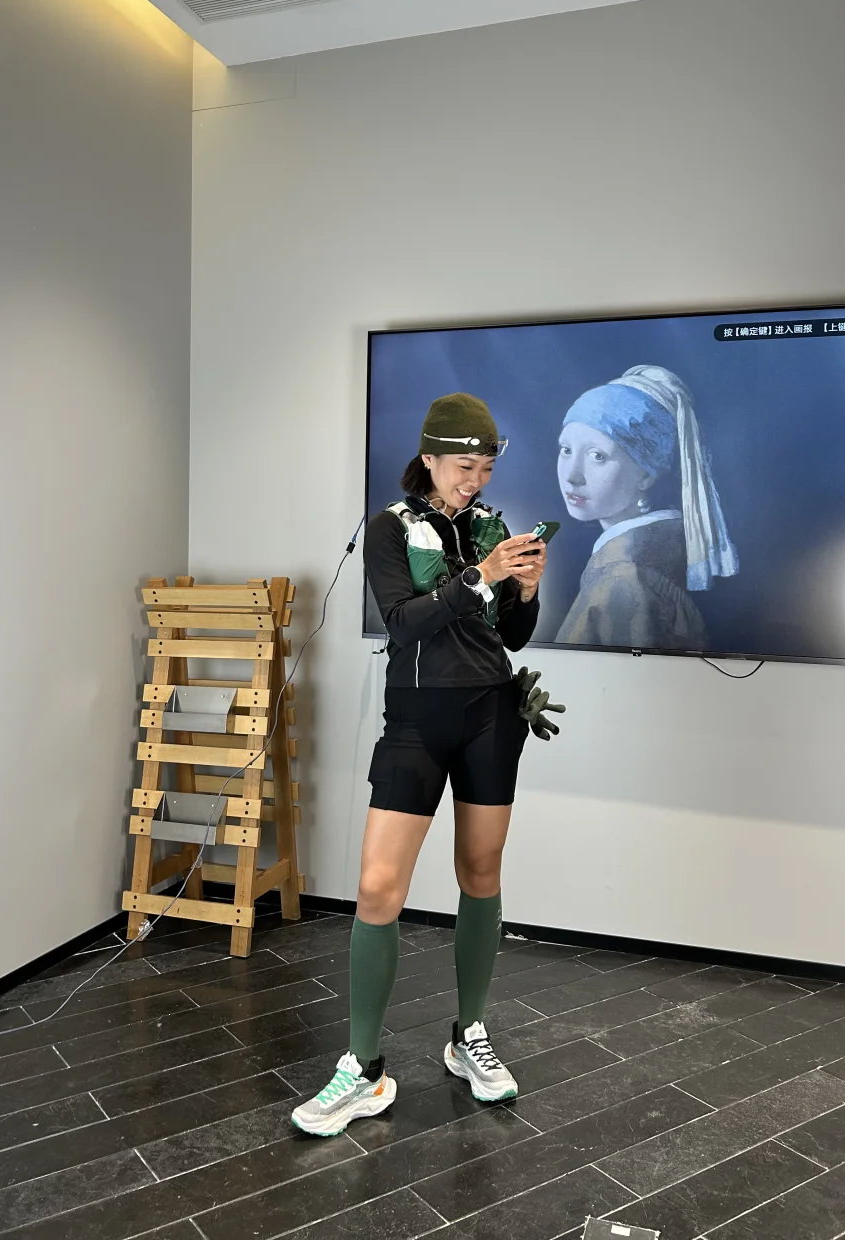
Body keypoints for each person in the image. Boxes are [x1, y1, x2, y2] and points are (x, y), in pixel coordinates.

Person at [291, 393, 554, 1136]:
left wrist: (526, 589)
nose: (475, 481)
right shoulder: (389, 527)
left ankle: (469, 1035)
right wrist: (481, 576)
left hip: (490, 716)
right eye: (464, 467)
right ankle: (364, 1069)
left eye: (486, 469)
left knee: (481, 872)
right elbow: (402, 621)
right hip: (415, 719)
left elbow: (514, 637)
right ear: (430, 458)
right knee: (378, 887)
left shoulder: (492, 526)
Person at [555, 364, 737, 651]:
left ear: (647, 474)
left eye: (597, 456)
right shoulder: (646, 557)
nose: (572, 475)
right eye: (566, 450)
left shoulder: (625, 576)